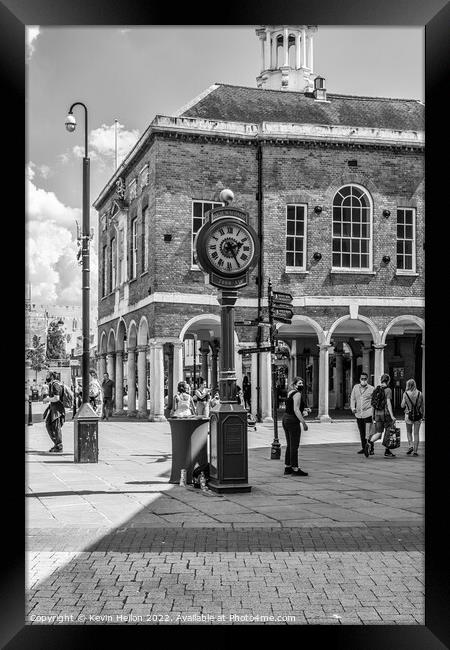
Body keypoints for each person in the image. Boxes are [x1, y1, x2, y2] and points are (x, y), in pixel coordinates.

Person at [281, 376, 309, 477]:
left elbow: (292, 407)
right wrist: (303, 422)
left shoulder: (290, 392)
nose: (301, 385)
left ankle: (287, 467)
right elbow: (296, 409)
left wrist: (304, 410)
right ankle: (295, 468)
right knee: (294, 445)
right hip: (292, 420)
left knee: (290, 444)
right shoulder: (297, 394)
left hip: (285, 419)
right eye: (299, 383)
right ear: (295, 384)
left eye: (302, 383)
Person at [365, 373, 397, 458]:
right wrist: (392, 415)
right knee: (388, 431)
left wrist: (373, 415)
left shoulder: (376, 389)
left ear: (381, 380)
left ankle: (370, 443)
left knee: (379, 432)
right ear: (388, 380)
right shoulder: (388, 390)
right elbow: (388, 403)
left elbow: (373, 404)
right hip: (386, 414)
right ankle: (387, 451)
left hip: (377, 414)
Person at [350, 372, 375, 455]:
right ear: (360, 379)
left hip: (368, 413)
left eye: (365, 379)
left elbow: (374, 401)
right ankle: (364, 447)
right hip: (358, 413)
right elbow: (353, 399)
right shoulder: (355, 387)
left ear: (367, 379)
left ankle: (371, 449)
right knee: (361, 432)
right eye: (362, 379)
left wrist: (373, 411)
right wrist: (353, 408)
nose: (363, 380)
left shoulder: (372, 389)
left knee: (368, 432)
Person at [42, 371, 65, 453]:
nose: (46, 377)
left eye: (48, 375)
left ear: (51, 376)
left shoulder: (55, 385)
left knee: (56, 427)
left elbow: (57, 398)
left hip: (57, 410)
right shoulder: (52, 384)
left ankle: (59, 446)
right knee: (49, 425)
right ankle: (57, 444)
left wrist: (48, 399)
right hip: (53, 408)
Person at [401, 378, 424, 456]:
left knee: (409, 432)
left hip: (408, 415)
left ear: (408, 385)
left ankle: (410, 445)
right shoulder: (420, 394)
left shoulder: (406, 394)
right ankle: (415, 451)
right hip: (418, 415)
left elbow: (402, 405)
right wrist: (422, 415)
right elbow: (422, 406)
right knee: (416, 433)